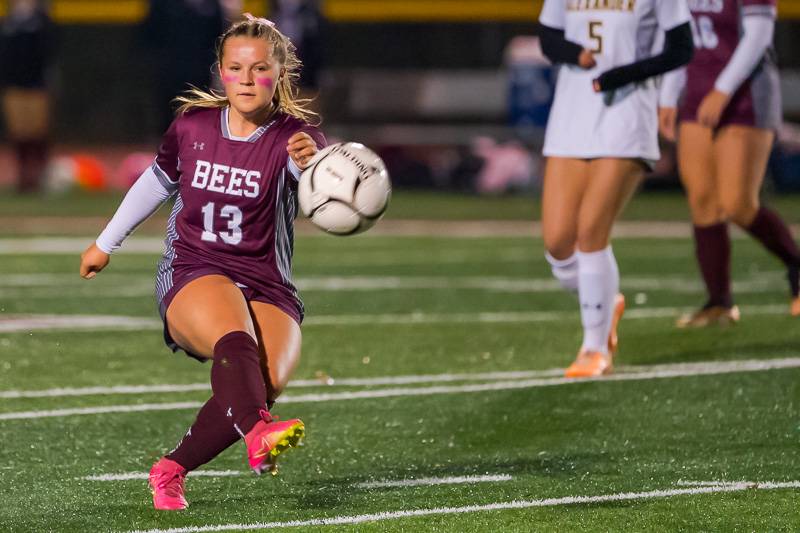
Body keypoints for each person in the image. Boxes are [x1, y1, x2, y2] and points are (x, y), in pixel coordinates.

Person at [80, 14, 325, 511]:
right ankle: (259, 435)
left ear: (279, 74)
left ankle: (170, 470)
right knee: (233, 339)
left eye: (259, 69)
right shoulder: (192, 125)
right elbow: (156, 181)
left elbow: (328, 192)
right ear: (220, 71)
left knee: (265, 381)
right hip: (195, 269)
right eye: (236, 68)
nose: (247, 78)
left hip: (267, 281)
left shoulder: (297, 139)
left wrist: (315, 165)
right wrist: (106, 242)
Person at [537, 0, 694, 378]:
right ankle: (606, 301)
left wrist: (627, 75)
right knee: (558, 243)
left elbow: (681, 47)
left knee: (591, 231)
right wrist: (576, 54)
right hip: (572, 117)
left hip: (627, 116)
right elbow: (547, 38)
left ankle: (594, 348)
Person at [659, 0, 800, 326]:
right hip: (697, 92)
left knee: (737, 203)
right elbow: (678, 35)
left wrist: (722, 90)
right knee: (702, 200)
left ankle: (796, 265)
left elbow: (759, 34)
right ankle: (719, 302)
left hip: (745, 95)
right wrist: (668, 94)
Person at [140, 0, 226, 134]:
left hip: (200, 74)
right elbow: (149, 35)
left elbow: (218, 38)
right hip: (168, 74)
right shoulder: (163, 4)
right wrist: (158, 63)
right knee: (167, 120)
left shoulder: (211, 4)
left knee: (199, 120)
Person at [0, 0, 54, 193]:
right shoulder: (9, 22)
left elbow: (50, 48)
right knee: (19, 132)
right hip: (14, 85)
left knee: (38, 131)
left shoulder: (42, 20)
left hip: (36, 85)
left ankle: (41, 175)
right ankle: (23, 177)